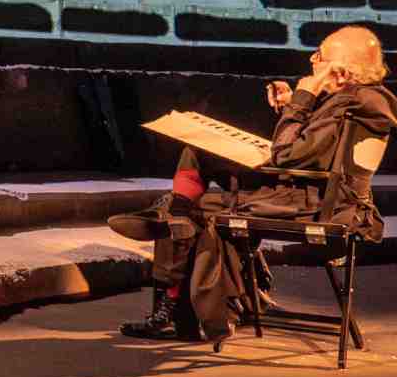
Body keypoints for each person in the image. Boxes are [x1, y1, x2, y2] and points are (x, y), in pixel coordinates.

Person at [110, 25, 395, 343]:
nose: (313, 60)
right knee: (198, 151)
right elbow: (311, 148)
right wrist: (294, 103)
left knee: (192, 210)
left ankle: (174, 289)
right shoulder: (359, 100)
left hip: (311, 203)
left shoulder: (351, 106)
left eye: (320, 56)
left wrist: (303, 99)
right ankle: (172, 217)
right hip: (306, 190)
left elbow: (286, 154)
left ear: (341, 72)